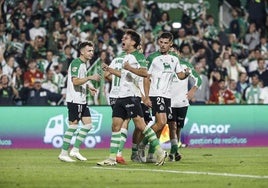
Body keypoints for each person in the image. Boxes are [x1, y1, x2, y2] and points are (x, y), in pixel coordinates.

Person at [97, 29, 167, 166]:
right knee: (115, 126)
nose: (123, 40)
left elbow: (145, 72)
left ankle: (160, 151)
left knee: (141, 125)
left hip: (131, 96)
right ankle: (112, 158)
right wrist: (110, 70)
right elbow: (124, 75)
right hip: (121, 96)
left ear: (133, 42)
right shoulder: (126, 57)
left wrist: (129, 68)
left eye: (126, 38)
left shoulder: (137, 56)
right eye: (123, 38)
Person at [139, 32, 191, 162]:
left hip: (167, 96)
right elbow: (146, 77)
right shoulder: (152, 58)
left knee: (160, 125)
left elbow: (179, 76)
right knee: (162, 122)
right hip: (156, 94)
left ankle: (151, 153)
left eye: (165, 43)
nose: (162, 45)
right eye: (161, 42)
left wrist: (186, 74)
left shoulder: (174, 59)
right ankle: (142, 145)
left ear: (171, 44)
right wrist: (146, 97)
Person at [58, 41, 100, 162]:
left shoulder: (84, 64)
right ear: (82, 52)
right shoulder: (76, 63)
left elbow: (81, 80)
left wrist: (88, 86)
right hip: (74, 100)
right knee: (73, 126)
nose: (92, 53)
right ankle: (63, 153)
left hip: (82, 100)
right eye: (89, 51)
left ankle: (75, 150)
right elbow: (75, 81)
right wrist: (90, 77)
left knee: (88, 125)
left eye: (92, 51)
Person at [168, 56, 202, 162]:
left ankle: (175, 151)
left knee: (178, 128)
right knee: (172, 126)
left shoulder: (186, 65)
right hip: (169, 101)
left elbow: (198, 79)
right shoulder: (165, 63)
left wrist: (193, 90)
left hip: (182, 102)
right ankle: (173, 151)